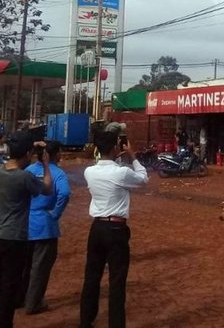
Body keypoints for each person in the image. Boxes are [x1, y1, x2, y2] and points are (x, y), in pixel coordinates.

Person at [80, 131, 149, 328]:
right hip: (116, 229)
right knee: (117, 282)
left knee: (91, 277)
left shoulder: (89, 172)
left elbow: (109, 169)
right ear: (115, 148)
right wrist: (133, 155)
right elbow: (143, 179)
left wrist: (114, 156)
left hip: (97, 228)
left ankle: (86, 321)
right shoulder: (121, 172)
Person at [0, 132, 53, 328]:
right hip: (15, 237)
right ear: (27, 154)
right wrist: (46, 164)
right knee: (10, 286)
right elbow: (47, 188)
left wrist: (31, 145)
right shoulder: (24, 177)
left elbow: (17, 153)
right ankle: (5, 323)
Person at [20, 141, 71, 315]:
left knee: (24, 265)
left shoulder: (28, 171)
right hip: (45, 225)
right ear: (54, 155)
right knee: (40, 267)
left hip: (25, 224)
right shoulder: (58, 174)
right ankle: (33, 303)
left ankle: (20, 298)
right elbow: (64, 193)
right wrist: (55, 213)